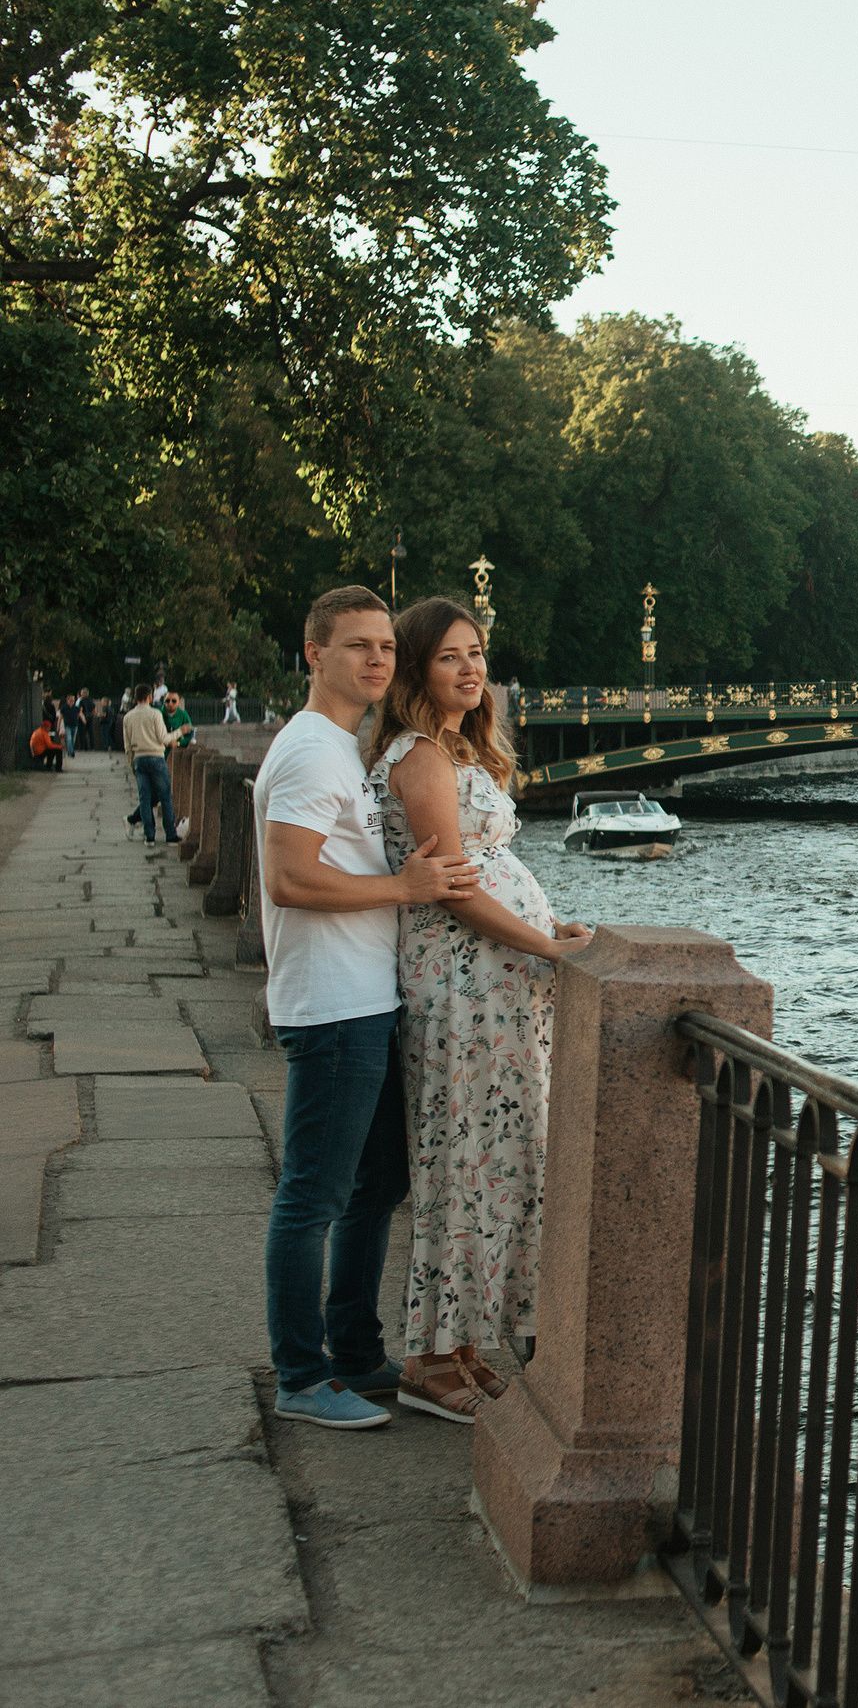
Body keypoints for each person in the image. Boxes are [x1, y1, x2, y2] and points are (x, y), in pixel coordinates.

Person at [257, 585, 484, 1430]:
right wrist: (406, 886)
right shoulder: (314, 752)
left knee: (374, 1183)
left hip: (365, 997)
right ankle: (301, 1374)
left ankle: (354, 1351)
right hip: (331, 1007)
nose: (378, 659)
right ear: (314, 654)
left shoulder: (339, 746)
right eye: (358, 645)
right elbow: (287, 877)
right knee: (312, 1196)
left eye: (387, 645)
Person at [369, 596, 590, 1424]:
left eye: (478, 653)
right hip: (464, 989)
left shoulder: (457, 748)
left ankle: (463, 1345)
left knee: (496, 1157)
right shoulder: (420, 755)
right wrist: (545, 948)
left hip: (495, 985)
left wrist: (545, 926)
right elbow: (455, 889)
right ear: (419, 669)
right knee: (463, 1159)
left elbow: (486, 869)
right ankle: (427, 1359)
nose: (471, 668)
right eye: (451, 656)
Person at [122, 687, 180, 844]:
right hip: (156, 758)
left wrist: (132, 765)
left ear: (135, 697)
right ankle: (170, 835)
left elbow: (127, 747)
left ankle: (149, 836)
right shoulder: (155, 714)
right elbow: (163, 738)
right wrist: (180, 732)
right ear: (149, 697)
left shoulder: (128, 717)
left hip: (139, 759)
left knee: (145, 798)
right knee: (165, 797)